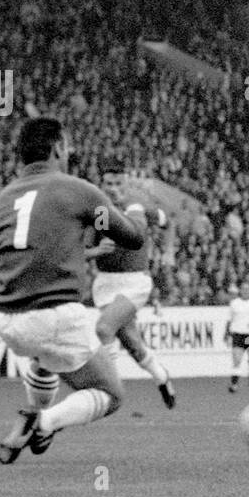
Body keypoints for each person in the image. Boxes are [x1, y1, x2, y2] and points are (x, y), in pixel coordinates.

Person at [0, 117, 146, 464]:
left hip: (6, 318)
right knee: (110, 393)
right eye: (68, 146)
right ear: (58, 147)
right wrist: (119, 213)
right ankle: (41, 422)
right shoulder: (76, 190)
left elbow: (11, 252)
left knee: (46, 357)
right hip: (54, 313)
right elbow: (132, 238)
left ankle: (34, 410)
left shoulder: (0, 200)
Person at [87, 164, 175, 408]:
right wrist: (96, 250)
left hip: (134, 281)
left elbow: (169, 223)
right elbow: (83, 249)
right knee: (132, 344)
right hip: (106, 283)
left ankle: (109, 389)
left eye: (118, 184)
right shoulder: (99, 213)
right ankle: (162, 377)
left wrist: (168, 251)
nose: (113, 189)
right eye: (109, 184)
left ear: (127, 185)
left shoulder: (139, 208)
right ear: (101, 185)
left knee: (104, 329)